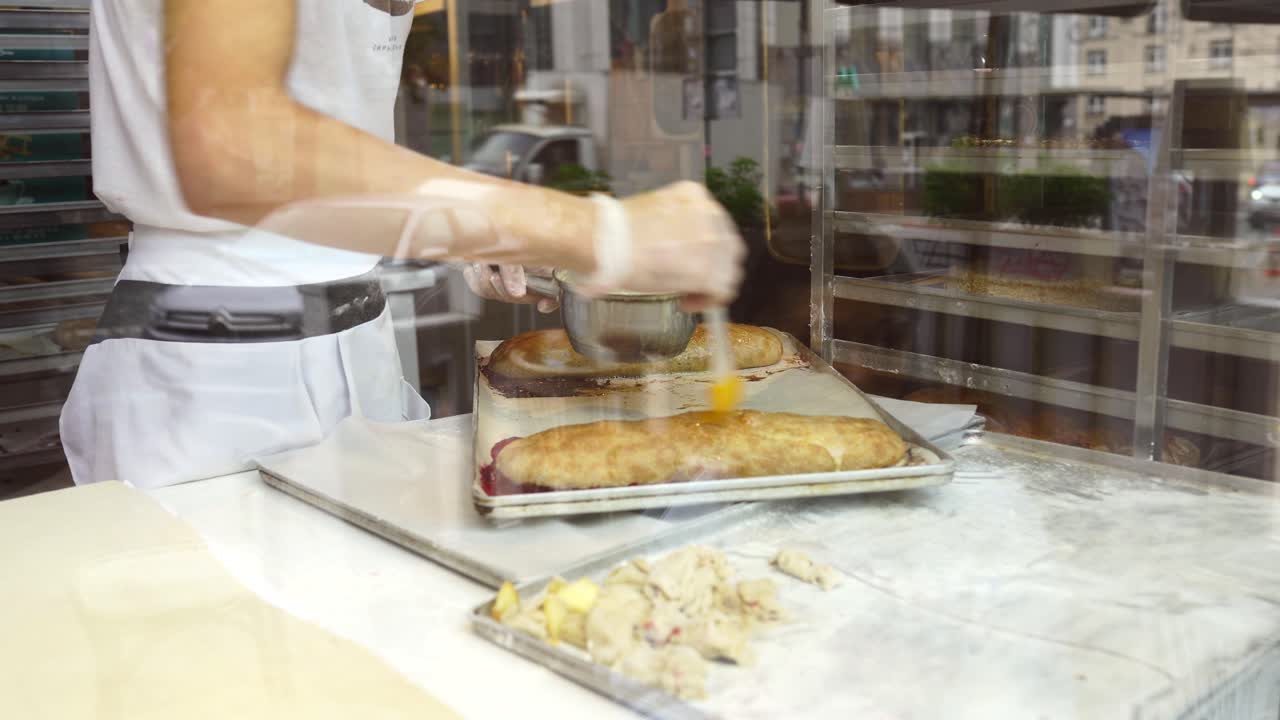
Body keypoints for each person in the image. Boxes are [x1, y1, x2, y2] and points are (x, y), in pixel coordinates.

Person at [65, 0, 744, 489]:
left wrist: (471, 230)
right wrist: (598, 233)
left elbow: (323, 127)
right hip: (211, 381)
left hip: (363, 352)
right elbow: (236, 151)